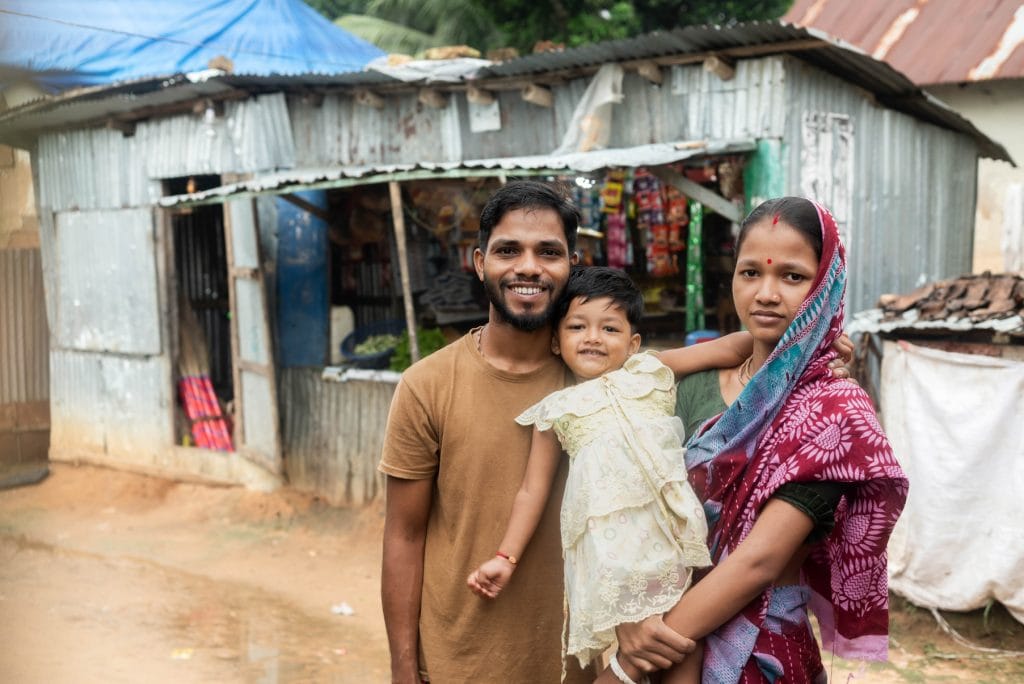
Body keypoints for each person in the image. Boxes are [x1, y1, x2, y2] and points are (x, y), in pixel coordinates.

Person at [601, 197, 910, 684]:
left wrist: (632, 664)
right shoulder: (694, 384)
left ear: (826, 284)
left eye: (792, 276)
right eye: (751, 273)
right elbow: (629, 509)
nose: (766, 293)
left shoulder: (832, 414)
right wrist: (630, 621)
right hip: (652, 622)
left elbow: (757, 563)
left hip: (753, 649)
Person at [467, 267, 751, 683]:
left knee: (684, 648)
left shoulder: (651, 370)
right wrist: (505, 558)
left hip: (676, 542)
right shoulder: (557, 409)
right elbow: (532, 490)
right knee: (638, 658)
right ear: (555, 340)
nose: (593, 338)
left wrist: (806, 338)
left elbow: (730, 347)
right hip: (614, 557)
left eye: (610, 328)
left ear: (633, 343)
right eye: (577, 326)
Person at [379, 180, 593, 683]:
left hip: (572, 669)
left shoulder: (600, 382)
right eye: (507, 250)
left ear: (572, 265)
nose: (527, 267)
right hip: (457, 664)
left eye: (548, 252)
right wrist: (404, 672)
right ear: (479, 263)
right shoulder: (427, 385)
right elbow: (404, 536)